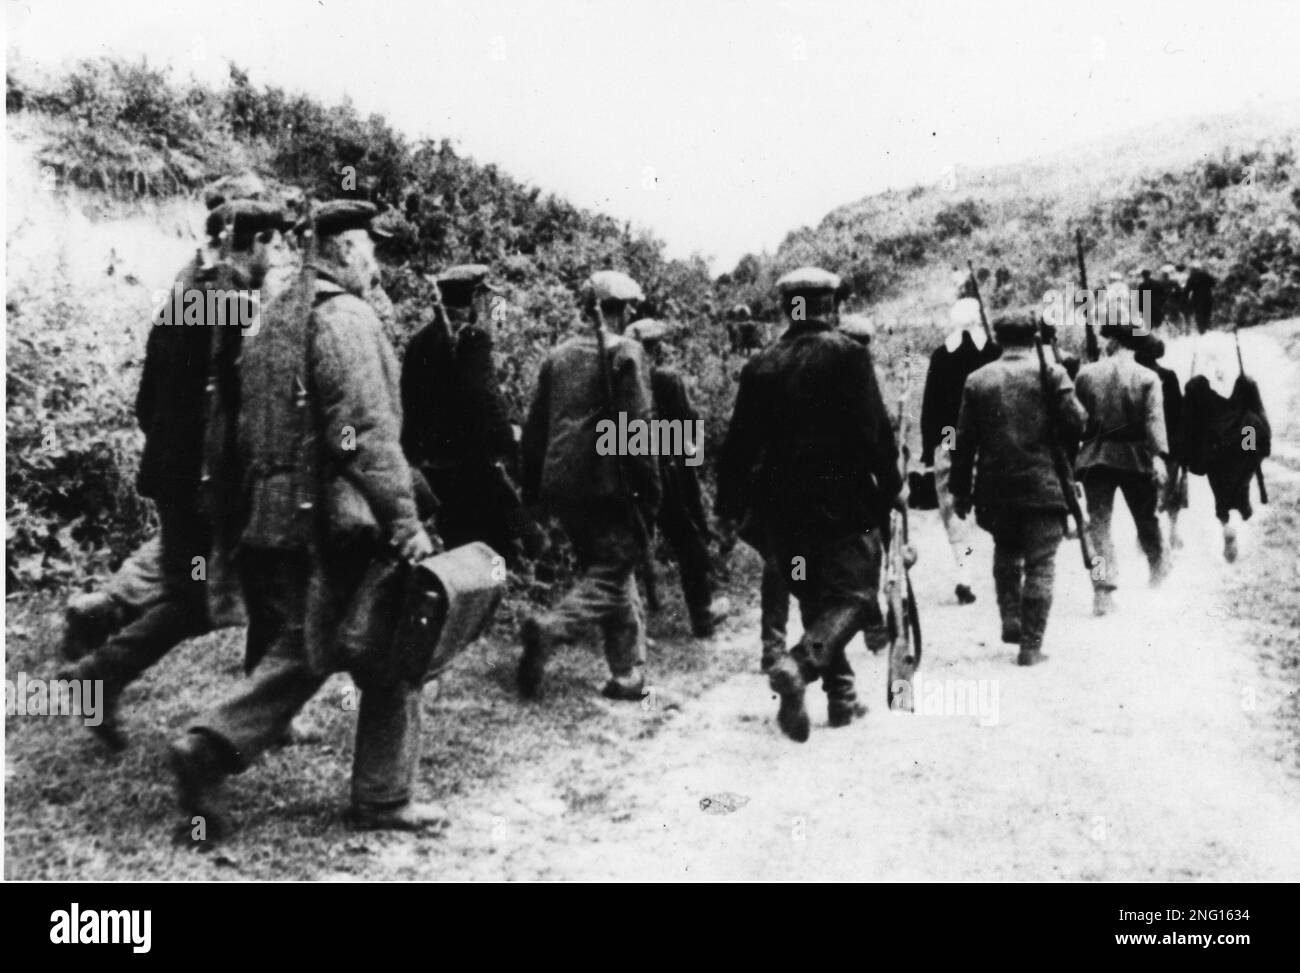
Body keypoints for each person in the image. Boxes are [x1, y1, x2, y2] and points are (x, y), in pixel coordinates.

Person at [168, 200, 443, 839]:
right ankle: (379, 798)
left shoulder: (271, 317)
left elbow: (233, 428)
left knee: (305, 648)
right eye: (369, 247)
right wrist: (405, 523)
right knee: (391, 653)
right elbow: (362, 435)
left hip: (272, 522)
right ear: (345, 249)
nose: (374, 260)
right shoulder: (343, 317)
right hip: (334, 525)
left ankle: (209, 747)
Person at [59, 199, 288, 751]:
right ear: (251, 245)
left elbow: (147, 399)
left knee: (207, 594)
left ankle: (105, 660)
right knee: (198, 600)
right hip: (203, 482)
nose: (279, 255)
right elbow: (240, 405)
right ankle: (101, 674)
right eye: (274, 244)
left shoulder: (185, 289)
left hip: (171, 472)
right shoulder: (234, 306)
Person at [718, 267, 900, 741]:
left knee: (816, 598)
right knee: (857, 598)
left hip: (781, 512)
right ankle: (799, 666)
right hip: (842, 503)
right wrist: (890, 489)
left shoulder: (761, 365)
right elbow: (873, 433)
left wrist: (728, 509)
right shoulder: (849, 355)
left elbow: (738, 448)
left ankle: (841, 699)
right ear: (832, 305)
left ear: (787, 308)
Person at [517, 270, 661, 701]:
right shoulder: (627, 353)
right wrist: (650, 491)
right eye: (629, 307)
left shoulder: (557, 356)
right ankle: (550, 628)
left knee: (610, 570)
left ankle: (627, 673)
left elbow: (534, 429)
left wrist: (533, 493)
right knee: (613, 569)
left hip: (562, 486)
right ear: (621, 310)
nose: (633, 312)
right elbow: (637, 431)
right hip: (608, 487)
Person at [948, 312, 1089, 666]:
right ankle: (1030, 645)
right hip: (1043, 484)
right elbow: (1078, 422)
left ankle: (1011, 618)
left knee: (1006, 552)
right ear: (1034, 337)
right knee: (1041, 563)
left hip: (996, 490)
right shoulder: (1051, 373)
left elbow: (963, 443)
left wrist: (961, 491)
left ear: (997, 338)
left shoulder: (978, 379)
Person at [401, 263, 523, 562]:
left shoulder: (419, 341)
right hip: (472, 471)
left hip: (432, 469)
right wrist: (509, 439)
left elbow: (409, 401)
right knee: (493, 554)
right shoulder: (473, 340)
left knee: (454, 552)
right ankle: (496, 602)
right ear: (475, 299)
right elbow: (485, 399)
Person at [625, 318, 726, 638]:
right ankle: (702, 615)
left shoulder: (617, 379)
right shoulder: (666, 377)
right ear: (656, 347)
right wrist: (691, 466)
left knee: (631, 541)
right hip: (667, 468)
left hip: (631, 467)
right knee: (689, 541)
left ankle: (634, 617)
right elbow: (687, 426)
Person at [1074, 323, 1169, 616]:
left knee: (1098, 525)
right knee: (1146, 518)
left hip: (1096, 457)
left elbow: (1077, 418)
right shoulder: (1148, 377)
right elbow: (1154, 421)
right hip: (1135, 456)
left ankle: (1103, 590)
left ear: (1113, 342)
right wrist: (1159, 456)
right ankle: (1157, 568)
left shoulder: (1086, 374)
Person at [920, 276, 1000, 605]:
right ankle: (1003, 568)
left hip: (950, 437)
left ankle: (964, 574)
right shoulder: (993, 351)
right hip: (986, 437)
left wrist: (930, 447)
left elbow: (931, 406)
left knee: (954, 507)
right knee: (995, 500)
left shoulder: (942, 355)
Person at [1181, 335, 1271, 562]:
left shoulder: (1206, 399)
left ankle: (1226, 523)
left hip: (1216, 450)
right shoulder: (1246, 400)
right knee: (1242, 478)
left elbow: (1192, 424)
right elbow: (1257, 435)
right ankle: (1242, 511)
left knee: (1220, 491)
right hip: (1244, 440)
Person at [1134, 336, 1187, 550]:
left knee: (1145, 491)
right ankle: (1173, 530)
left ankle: (1144, 535)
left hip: (1143, 442)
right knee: (1173, 489)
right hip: (1170, 442)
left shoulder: (1136, 376)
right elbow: (1179, 411)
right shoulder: (1168, 376)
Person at [1185, 259, 1216, 334]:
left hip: (1197, 298)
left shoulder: (1192, 277)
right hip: (1208, 296)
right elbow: (1213, 283)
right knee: (1207, 312)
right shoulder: (1206, 275)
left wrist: (1186, 300)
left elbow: (1188, 289)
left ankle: (1201, 329)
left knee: (1199, 314)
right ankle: (1207, 325)